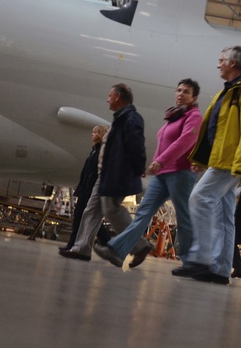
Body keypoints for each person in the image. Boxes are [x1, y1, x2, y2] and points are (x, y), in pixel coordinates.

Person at [173, 46, 241, 285]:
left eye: (221, 60)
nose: (218, 65)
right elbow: (213, 130)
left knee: (199, 198)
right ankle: (221, 269)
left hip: (230, 162)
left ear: (233, 63)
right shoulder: (227, 92)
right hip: (221, 160)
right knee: (224, 215)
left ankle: (200, 258)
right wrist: (201, 158)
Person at [92, 79, 201, 268]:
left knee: (183, 217)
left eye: (186, 92)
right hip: (163, 174)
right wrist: (150, 166)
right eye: (179, 90)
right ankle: (117, 251)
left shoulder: (194, 116)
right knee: (143, 214)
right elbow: (164, 143)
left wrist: (160, 161)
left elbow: (185, 141)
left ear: (194, 97)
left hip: (181, 173)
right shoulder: (173, 116)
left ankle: (190, 261)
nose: (180, 94)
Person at [60, 83, 146, 262]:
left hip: (116, 176)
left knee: (111, 210)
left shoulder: (131, 118)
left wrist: (139, 168)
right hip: (105, 175)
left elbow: (136, 146)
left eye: (110, 96)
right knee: (90, 211)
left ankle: (139, 245)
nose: (107, 99)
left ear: (118, 98)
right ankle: (81, 248)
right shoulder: (120, 119)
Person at [60, 125, 110, 252]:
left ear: (100, 135)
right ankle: (108, 244)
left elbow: (93, 173)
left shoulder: (99, 152)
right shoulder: (94, 151)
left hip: (90, 190)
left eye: (94, 133)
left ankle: (73, 244)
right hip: (85, 189)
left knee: (83, 218)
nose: (91, 135)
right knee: (85, 218)